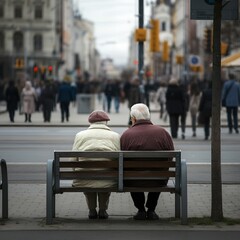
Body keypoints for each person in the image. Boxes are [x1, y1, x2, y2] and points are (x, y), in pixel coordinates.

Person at [120, 103, 174, 220]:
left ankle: (140, 209)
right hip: (158, 180)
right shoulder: (163, 133)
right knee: (160, 173)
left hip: (133, 181)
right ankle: (151, 209)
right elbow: (170, 156)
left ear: (133, 118)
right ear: (149, 116)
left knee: (130, 173)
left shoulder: (126, 135)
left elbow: (121, 160)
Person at [72, 110, 120, 219]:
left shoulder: (80, 135)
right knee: (106, 176)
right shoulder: (115, 136)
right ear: (106, 122)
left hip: (83, 179)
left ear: (90, 122)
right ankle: (103, 210)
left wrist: (75, 172)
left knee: (86, 175)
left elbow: (73, 159)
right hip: (108, 179)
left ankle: (92, 210)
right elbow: (117, 161)